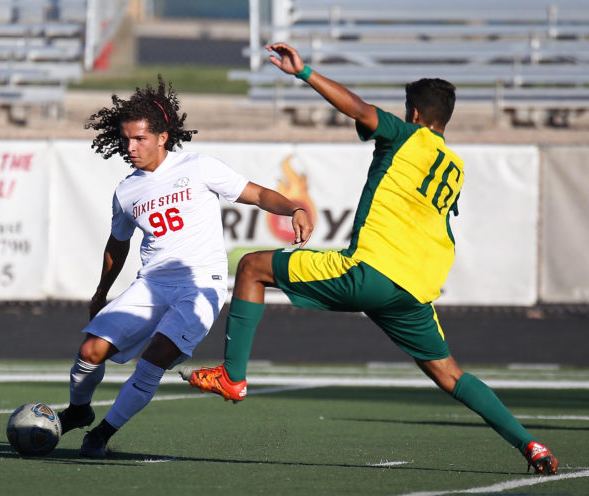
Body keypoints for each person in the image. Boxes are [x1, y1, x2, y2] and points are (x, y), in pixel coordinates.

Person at [180, 42, 559, 475]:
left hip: (371, 271)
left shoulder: (404, 136)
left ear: (414, 114)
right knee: (450, 374)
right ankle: (531, 445)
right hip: (413, 291)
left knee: (252, 267)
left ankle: (232, 376)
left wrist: (304, 74)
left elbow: (360, 109)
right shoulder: (453, 165)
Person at [57, 76, 314, 458]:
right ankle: (79, 411)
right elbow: (119, 242)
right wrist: (101, 291)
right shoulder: (127, 190)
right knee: (91, 350)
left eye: (139, 139)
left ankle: (102, 434)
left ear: (162, 136)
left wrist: (294, 208)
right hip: (151, 286)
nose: (131, 147)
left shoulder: (198, 166)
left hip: (200, 286)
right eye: (126, 139)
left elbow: (258, 193)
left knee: (154, 359)